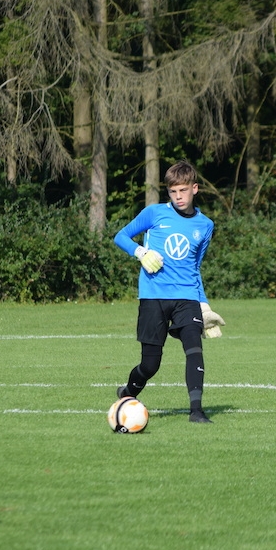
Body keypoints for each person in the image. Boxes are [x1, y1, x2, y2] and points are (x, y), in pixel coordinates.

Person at [113, 160, 226, 423]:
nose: (178, 197)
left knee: (194, 349)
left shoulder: (205, 225)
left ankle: (196, 411)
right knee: (150, 364)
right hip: (153, 296)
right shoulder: (154, 213)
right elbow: (121, 236)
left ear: (195, 189)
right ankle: (127, 393)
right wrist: (141, 252)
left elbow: (195, 268)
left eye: (183, 190)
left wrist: (204, 305)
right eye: (173, 192)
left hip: (187, 297)